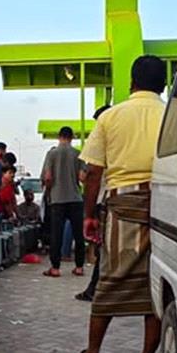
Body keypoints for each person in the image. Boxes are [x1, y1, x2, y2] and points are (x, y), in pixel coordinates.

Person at [70, 55, 165, 353]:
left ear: (131, 83)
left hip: (122, 205)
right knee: (157, 287)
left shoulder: (110, 117)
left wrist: (89, 215)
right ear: (164, 84)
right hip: (168, 205)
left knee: (110, 279)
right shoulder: (176, 116)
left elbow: (93, 172)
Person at [75, 106, 110, 303]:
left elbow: (90, 175)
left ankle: (95, 289)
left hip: (102, 200)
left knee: (102, 248)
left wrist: (88, 215)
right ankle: (95, 287)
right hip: (117, 197)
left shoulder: (102, 137)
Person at [41, 126, 86, 279]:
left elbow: (47, 177)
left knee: (56, 234)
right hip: (75, 198)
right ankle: (79, 267)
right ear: (72, 137)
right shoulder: (78, 154)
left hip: (58, 199)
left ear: (59, 137)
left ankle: (55, 268)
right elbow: (82, 177)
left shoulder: (51, 154)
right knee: (78, 234)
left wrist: (49, 190)